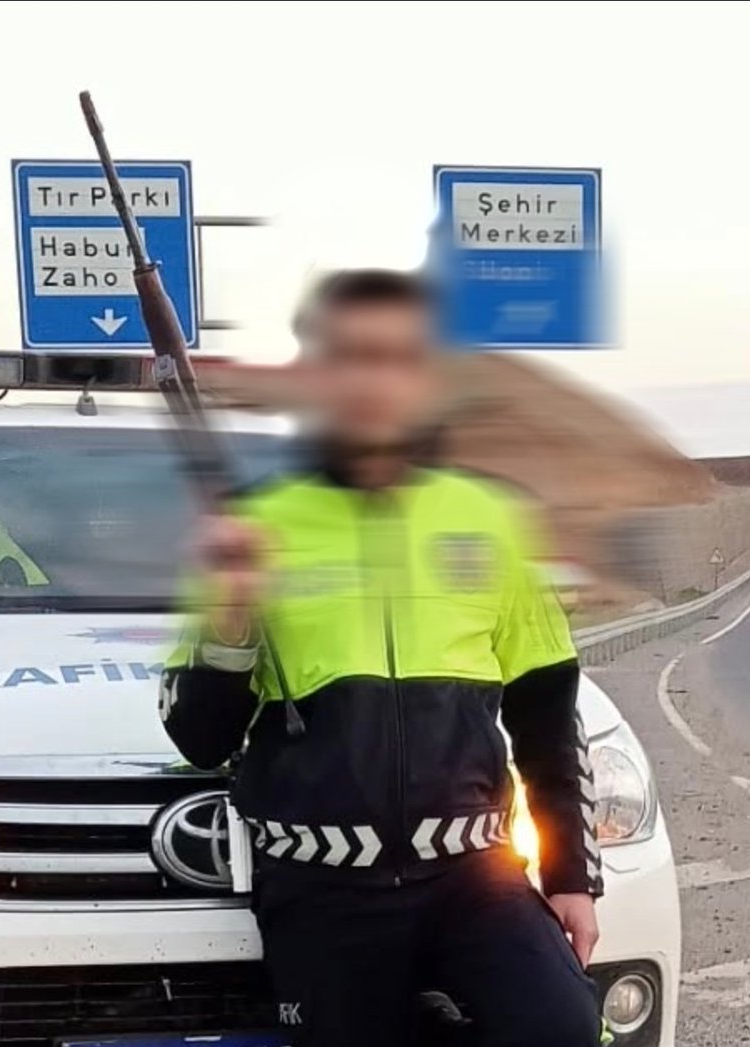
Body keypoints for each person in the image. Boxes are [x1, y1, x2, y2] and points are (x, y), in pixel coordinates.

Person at [159, 269, 603, 1047]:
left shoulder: (490, 519)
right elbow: (200, 736)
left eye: (398, 357)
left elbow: (546, 710)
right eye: (351, 355)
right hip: (320, 891)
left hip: (475, 878)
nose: (374, 378)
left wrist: (569, 875)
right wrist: (230, 616)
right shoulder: (254, 527)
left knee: (564, 1029)